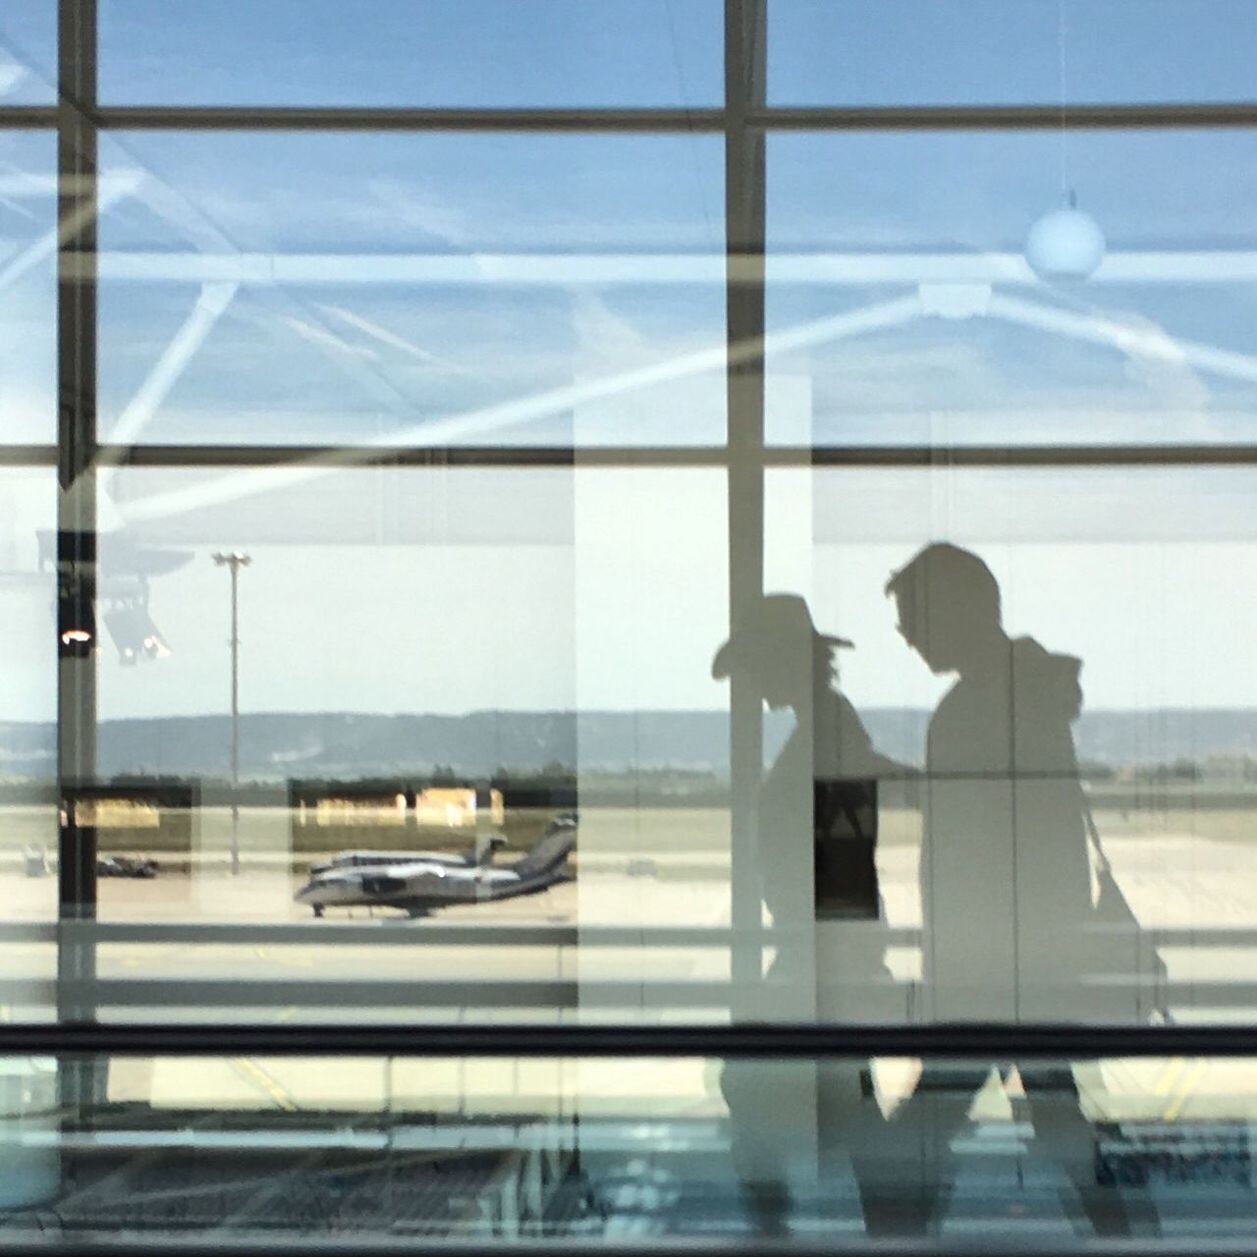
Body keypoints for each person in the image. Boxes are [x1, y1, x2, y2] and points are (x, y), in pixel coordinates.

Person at [880, 543, 1145, 1236]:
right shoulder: (1028, 695)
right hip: (1025, 965)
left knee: (919, 1143)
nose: (905, 635)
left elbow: (972, 843)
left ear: (954, 612)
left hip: (987, 973)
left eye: (912, 617)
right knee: (1050, 1117)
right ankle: (1121, 1228)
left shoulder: (974, 707)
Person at [711, 593, 904, 1232]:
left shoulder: (826, 732)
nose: (752, 682)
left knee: (760, 1083)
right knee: (836, 1093)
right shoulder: (828, 725)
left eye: (755, 665)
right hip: (824, 942)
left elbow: (840, 847)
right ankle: (881, 1217)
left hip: (819, 945)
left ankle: (783, 1224)